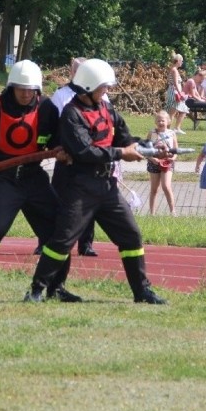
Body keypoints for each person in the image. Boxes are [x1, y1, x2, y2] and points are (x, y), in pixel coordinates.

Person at [28, 58, 167, 305]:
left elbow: (125, 139)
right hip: (79, 188)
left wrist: (150, 147)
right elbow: (85, 151)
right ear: (89, 87)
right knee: (63, 239)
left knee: (131, 236)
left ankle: (141, 291)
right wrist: (122, 154)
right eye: (104, 87)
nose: (108, 91)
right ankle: (37, 289)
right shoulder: (71, 115)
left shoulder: (107, 108)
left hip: (107, 187)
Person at [0, 60, 76, 304]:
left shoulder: (47, 108)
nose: (26, 94)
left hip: (34, 178)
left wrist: (61, 149)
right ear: (11, 87)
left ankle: (55, 287)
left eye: (31, 90)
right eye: (21, 89)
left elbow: (57, 140)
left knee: (58, 231)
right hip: (4, 179)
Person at [50, 57, 99, 257]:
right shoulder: (61, 95)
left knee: (89, 202)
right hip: (65, 159)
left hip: (89, 159)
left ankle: (85, 244)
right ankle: (48, 241)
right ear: (72, 73)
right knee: (57, 201)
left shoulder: (99, 97)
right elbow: (51, 125)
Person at [145, 110, 178, 215]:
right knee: (154, 188)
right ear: (155, 122)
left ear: (168, 121)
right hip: (154, 161)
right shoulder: (152, 133)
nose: (160, 123)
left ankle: (173, 211)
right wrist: (151, 158)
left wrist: (174, 157)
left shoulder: (171, 133)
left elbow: (176, 149)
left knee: (166, 186)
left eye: (163, 121)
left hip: (167, 161)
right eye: (158, 121)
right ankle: (152, 213)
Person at [163, 52, 189, 134]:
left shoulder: (174, 70)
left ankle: (172, 129)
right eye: (181, 60)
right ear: (178, 61)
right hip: (174, 93)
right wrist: (180, 93)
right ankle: (167, 130)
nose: (182, 62)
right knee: (171, 113)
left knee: (179, 110)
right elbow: (175, 83)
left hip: (174, 92)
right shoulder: (174, 70)